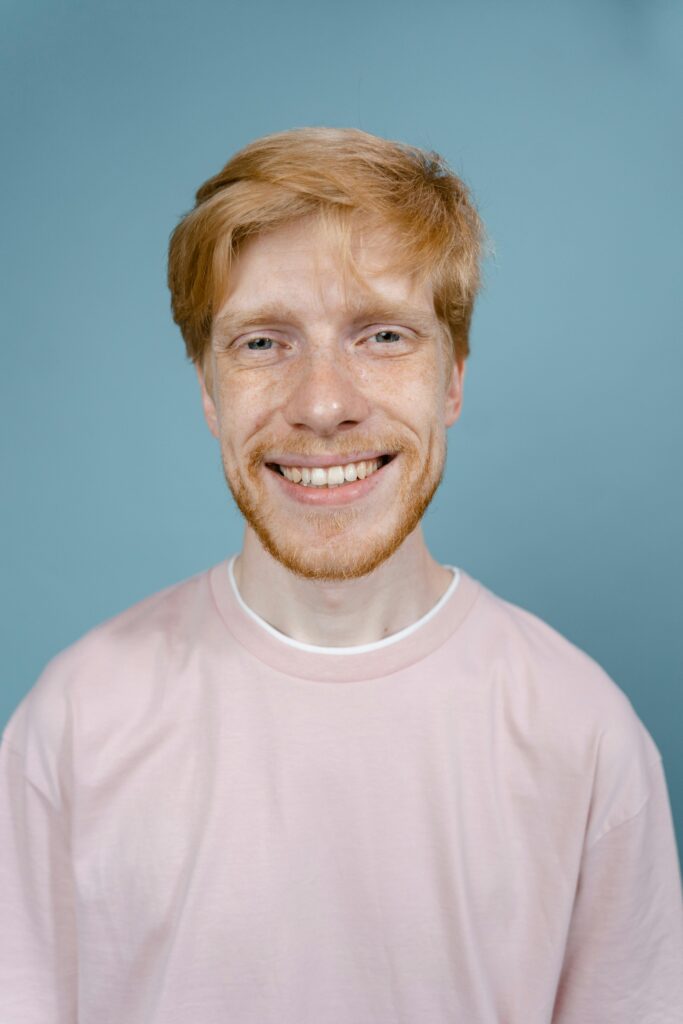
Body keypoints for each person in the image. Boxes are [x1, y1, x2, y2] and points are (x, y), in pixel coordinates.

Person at [1, 127, 681, 1023]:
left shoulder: (585, 737)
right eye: (261, 344)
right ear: (207, 389)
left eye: (383, 334)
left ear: (452, 379)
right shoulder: (75, 723)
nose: (323, 403)